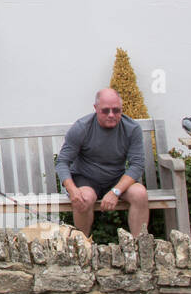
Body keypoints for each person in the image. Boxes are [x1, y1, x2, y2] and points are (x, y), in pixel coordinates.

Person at [56, 88, 150, 237]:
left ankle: (139, 248)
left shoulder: (132, 129)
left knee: (140, 193)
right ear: (96, 108)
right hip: (86, 179)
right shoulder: (82, 127)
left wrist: (115, 191)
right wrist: (72, 190)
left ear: (122, 108)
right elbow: (62, 162)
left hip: (116, 179)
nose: (111, 115)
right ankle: (82, 247)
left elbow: (137, 165)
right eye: (105, 111)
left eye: (116, 110)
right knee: (84, 198)